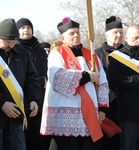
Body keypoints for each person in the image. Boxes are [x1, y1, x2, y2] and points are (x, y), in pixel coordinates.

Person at [40, 17, 109, 150]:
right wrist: (86, 76)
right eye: (72, 33)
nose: (76, 35)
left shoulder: (91, 55)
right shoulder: (56, 54)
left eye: (77, 32)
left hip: (89, 113)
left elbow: (103, 82)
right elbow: (57, 77)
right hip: (66, 116)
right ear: (63, 38)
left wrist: (103, 109)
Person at [108, 24, 139, 150]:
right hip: (128, 111)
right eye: (135, 38)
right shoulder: (117, 57)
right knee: (128, 145)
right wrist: (135, 81)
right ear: (126, 38)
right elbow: (113, 80)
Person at [0, 18, 40, 150]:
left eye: (13, 42)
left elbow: (31, 79)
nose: (10, 46)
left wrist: (34, 99)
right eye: (7, 42)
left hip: (16, 119)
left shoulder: (22, 54)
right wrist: (2, 103)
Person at [16, 18, 51, 150]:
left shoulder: (40, 48)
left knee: (41, 137)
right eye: (23, 28)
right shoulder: (16, 49)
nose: (26, 30)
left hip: (42, 99)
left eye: (28, 28)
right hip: (24, 99)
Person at [95, 16, 123, 150]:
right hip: (106, 105)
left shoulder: (127, 53)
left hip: (126, 104)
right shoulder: (96, 54)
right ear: (107, 35)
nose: (118, 35)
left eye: (121, 32)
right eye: (115, 32)